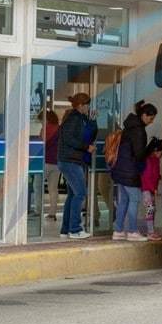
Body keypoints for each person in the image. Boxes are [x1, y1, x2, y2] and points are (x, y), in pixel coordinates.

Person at [110, 100, 157, 241]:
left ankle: (118, 230)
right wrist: (151, 147)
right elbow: (139, 155)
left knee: (123, 200)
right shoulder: (139, 131)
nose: (151, 121)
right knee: (134, 200)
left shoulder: (130, 127)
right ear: (143, 115)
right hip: (130, 172)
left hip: (120, 170)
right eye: (150, 118)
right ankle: (132, 231)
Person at [58, 93, 96, 239]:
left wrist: (92, 120)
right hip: (70, 161)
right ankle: (75, 229)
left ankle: (66, 229)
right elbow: (69, 139)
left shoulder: (78, 118)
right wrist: (86, 147)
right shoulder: (74, 119)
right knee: (80, 193)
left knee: (73, 194)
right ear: (81, 105)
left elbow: (90, 133)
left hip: (70, 160)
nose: (88, 107)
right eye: (87, 105)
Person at [141, 137, 162, 241]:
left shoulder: (155, 160)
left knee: (151, 210)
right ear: (156, 150)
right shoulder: (148, 160)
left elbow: (154, 174)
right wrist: (154, 189)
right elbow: (146, 177)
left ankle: (151, 231)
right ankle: (150, 232)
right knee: (150, 209)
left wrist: (160, 178)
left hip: (150, 189)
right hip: (146, 189)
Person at [41, 109, 60, 221]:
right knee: (53, 188)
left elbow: (41, 144)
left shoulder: (45, 129)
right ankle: (52, 213)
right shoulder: (59, 129)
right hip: (57, 162)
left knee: (38, 186)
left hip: (45, 161)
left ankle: (38, 211)